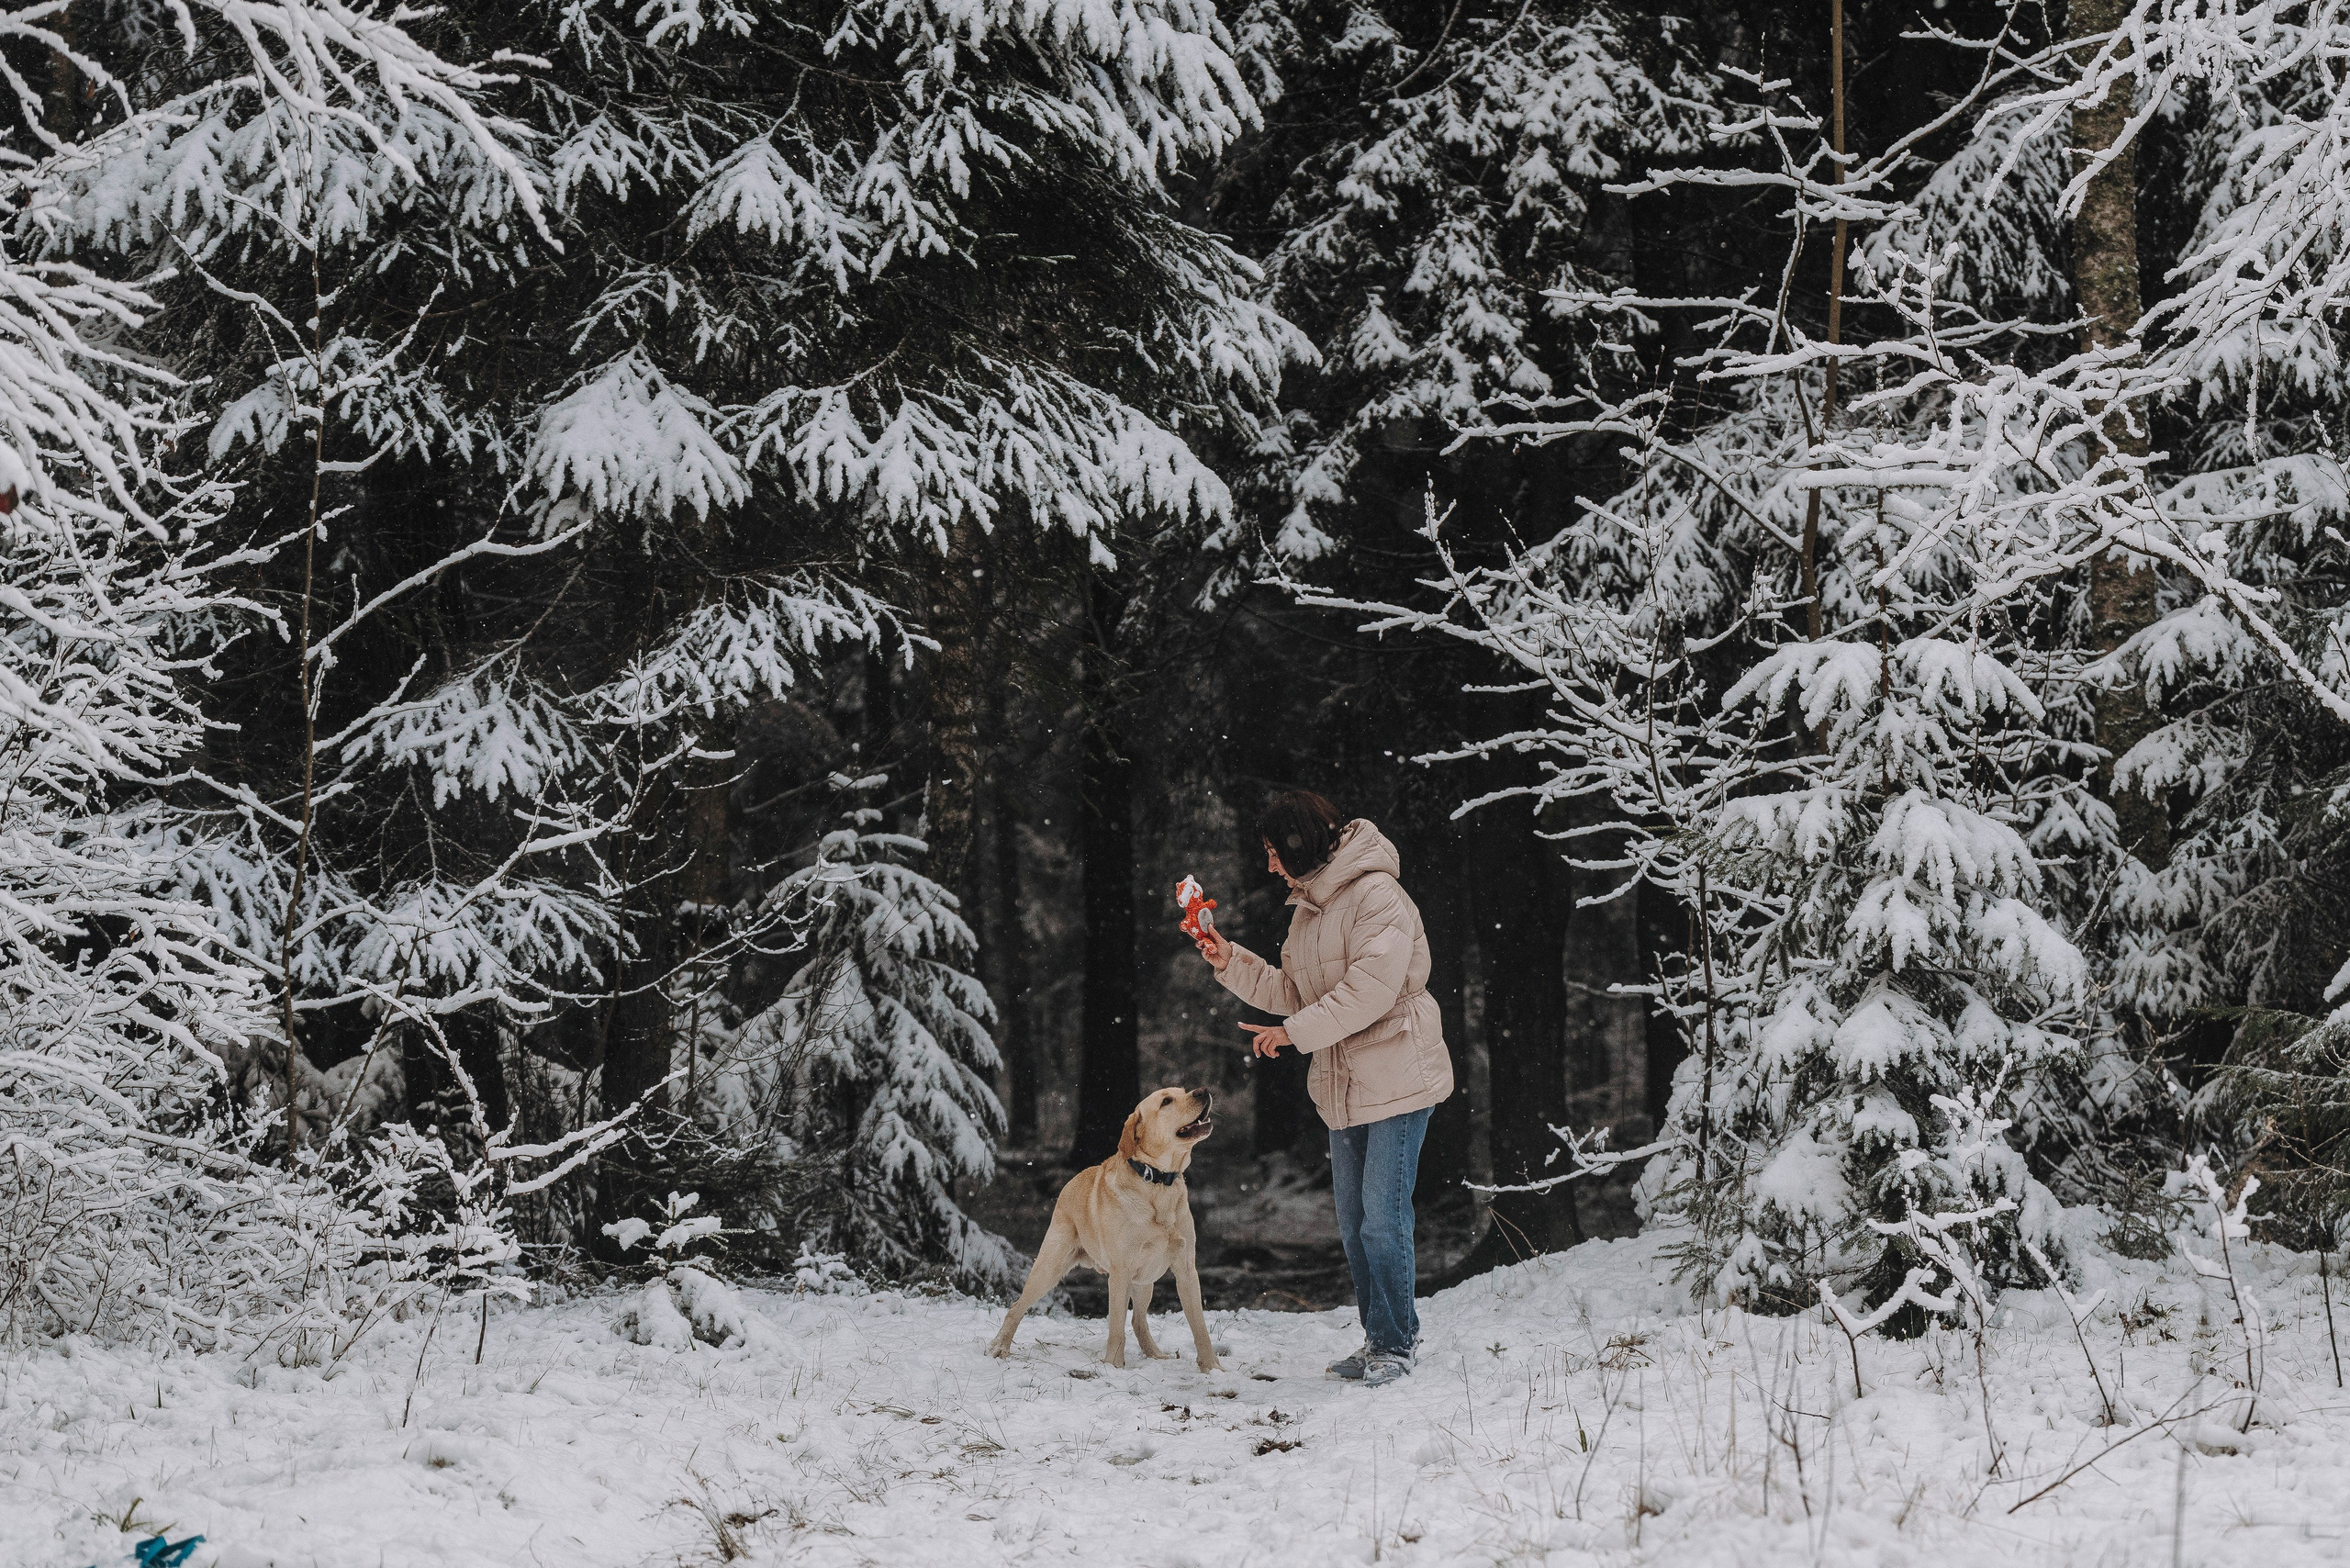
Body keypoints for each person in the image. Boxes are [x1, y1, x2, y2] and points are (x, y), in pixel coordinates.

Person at [1192, 790, 1454, 1387]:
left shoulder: (1377, 895)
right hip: (1343, 1085)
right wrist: (1227, 957)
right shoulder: (1311, 908)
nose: (1268, 865)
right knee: (1354, 1220)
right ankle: (1378, 1338)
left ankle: (1397, 1342)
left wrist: (1292, 1035)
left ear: (1299, 844)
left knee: (1383, 1221)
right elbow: (1296, 993)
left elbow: (1369, 993)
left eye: (1271, 852)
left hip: (1399, 1077)